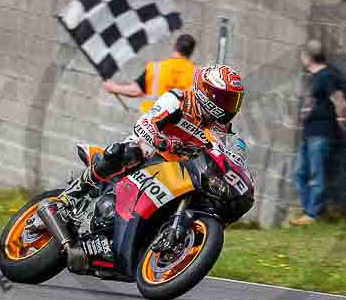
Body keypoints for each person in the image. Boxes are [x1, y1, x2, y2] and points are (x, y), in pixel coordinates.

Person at [59, 64, 245, 209]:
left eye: (232, 101)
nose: (228, 106)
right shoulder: (179, 100)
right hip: (150, 153)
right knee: (131, 153)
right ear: (206, 91)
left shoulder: (221, 127)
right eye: (224, 99)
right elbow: (144, 124)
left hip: (180, 172)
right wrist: (162, 141)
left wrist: (239, 156)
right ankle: (71, 195)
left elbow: (232, 151)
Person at [291, 39, 346, 226]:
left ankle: (312, 214)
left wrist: (341, 121)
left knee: (316, 175)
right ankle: (309, 211)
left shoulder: (326, 75)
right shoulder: (317, 77)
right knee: (300, 173)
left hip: (321, 133)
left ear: (308, 57)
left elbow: (339, 100)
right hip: (310, 133)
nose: (301, 58)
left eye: (302, 55)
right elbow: (318, 100)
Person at [103, 34, 197, 113]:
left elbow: (135, 91)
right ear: (191, 51)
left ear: (175, 46)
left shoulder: (156, 68)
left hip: (152, 125)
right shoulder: (198, 74)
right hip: (181, 129)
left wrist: (113, 87)